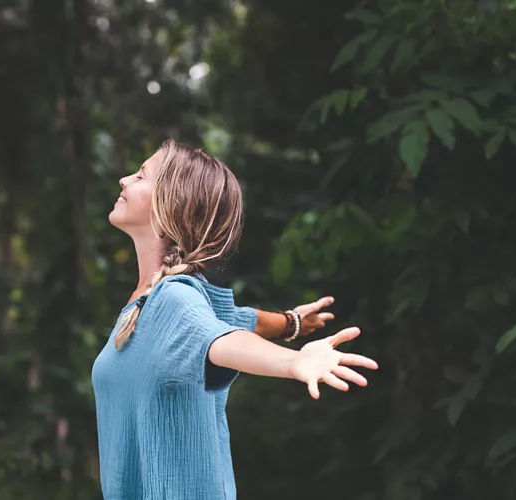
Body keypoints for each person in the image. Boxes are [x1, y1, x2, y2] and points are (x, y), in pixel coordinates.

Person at [91, 139, 378, 499]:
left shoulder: (174, 300)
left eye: (141, 175)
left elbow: (221, 340)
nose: (124, 180)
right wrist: (289, 323)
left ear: (171, 204)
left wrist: (295, 361)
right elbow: (233, 320)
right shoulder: (152, 302)